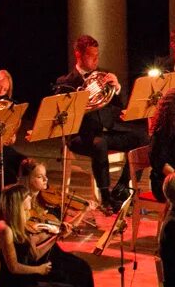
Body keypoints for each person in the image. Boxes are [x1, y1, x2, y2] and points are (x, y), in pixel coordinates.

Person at [53, 34, 147, 211]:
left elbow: (118, 107)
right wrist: (84, 96)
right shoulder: (65, 83)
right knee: (99, 143)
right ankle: (105, 197)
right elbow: (65, 116)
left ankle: (123, 188)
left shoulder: (103, 76)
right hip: (82, 135)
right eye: (91, 55)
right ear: (78, 55)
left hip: (108, 130)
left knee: (143, 138)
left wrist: (117, 87)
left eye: (97, 55)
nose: (96, 59)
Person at [0, 184, 98, 287]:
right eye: (25, 209)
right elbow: (13, 267)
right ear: (17, 204)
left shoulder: (16, 225)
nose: (29, 210)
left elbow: (34, 255)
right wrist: (39, 269)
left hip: (25, 281)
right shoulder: (4, 229)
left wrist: (56, 236)